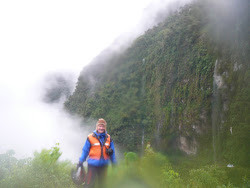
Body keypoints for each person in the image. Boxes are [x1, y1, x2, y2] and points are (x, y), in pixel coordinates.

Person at [78, 118, 117, 188]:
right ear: (97, 127)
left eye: (103, 126)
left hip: (104, 165)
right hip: (92, 165)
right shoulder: (90, 137)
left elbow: (112, 153)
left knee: (102, 185)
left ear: (105, 128)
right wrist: (81, 160)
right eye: (100, 126)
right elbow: (85, 150)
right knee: (89, 185)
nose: (101, 128)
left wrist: (114, 164)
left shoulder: (109, 138)